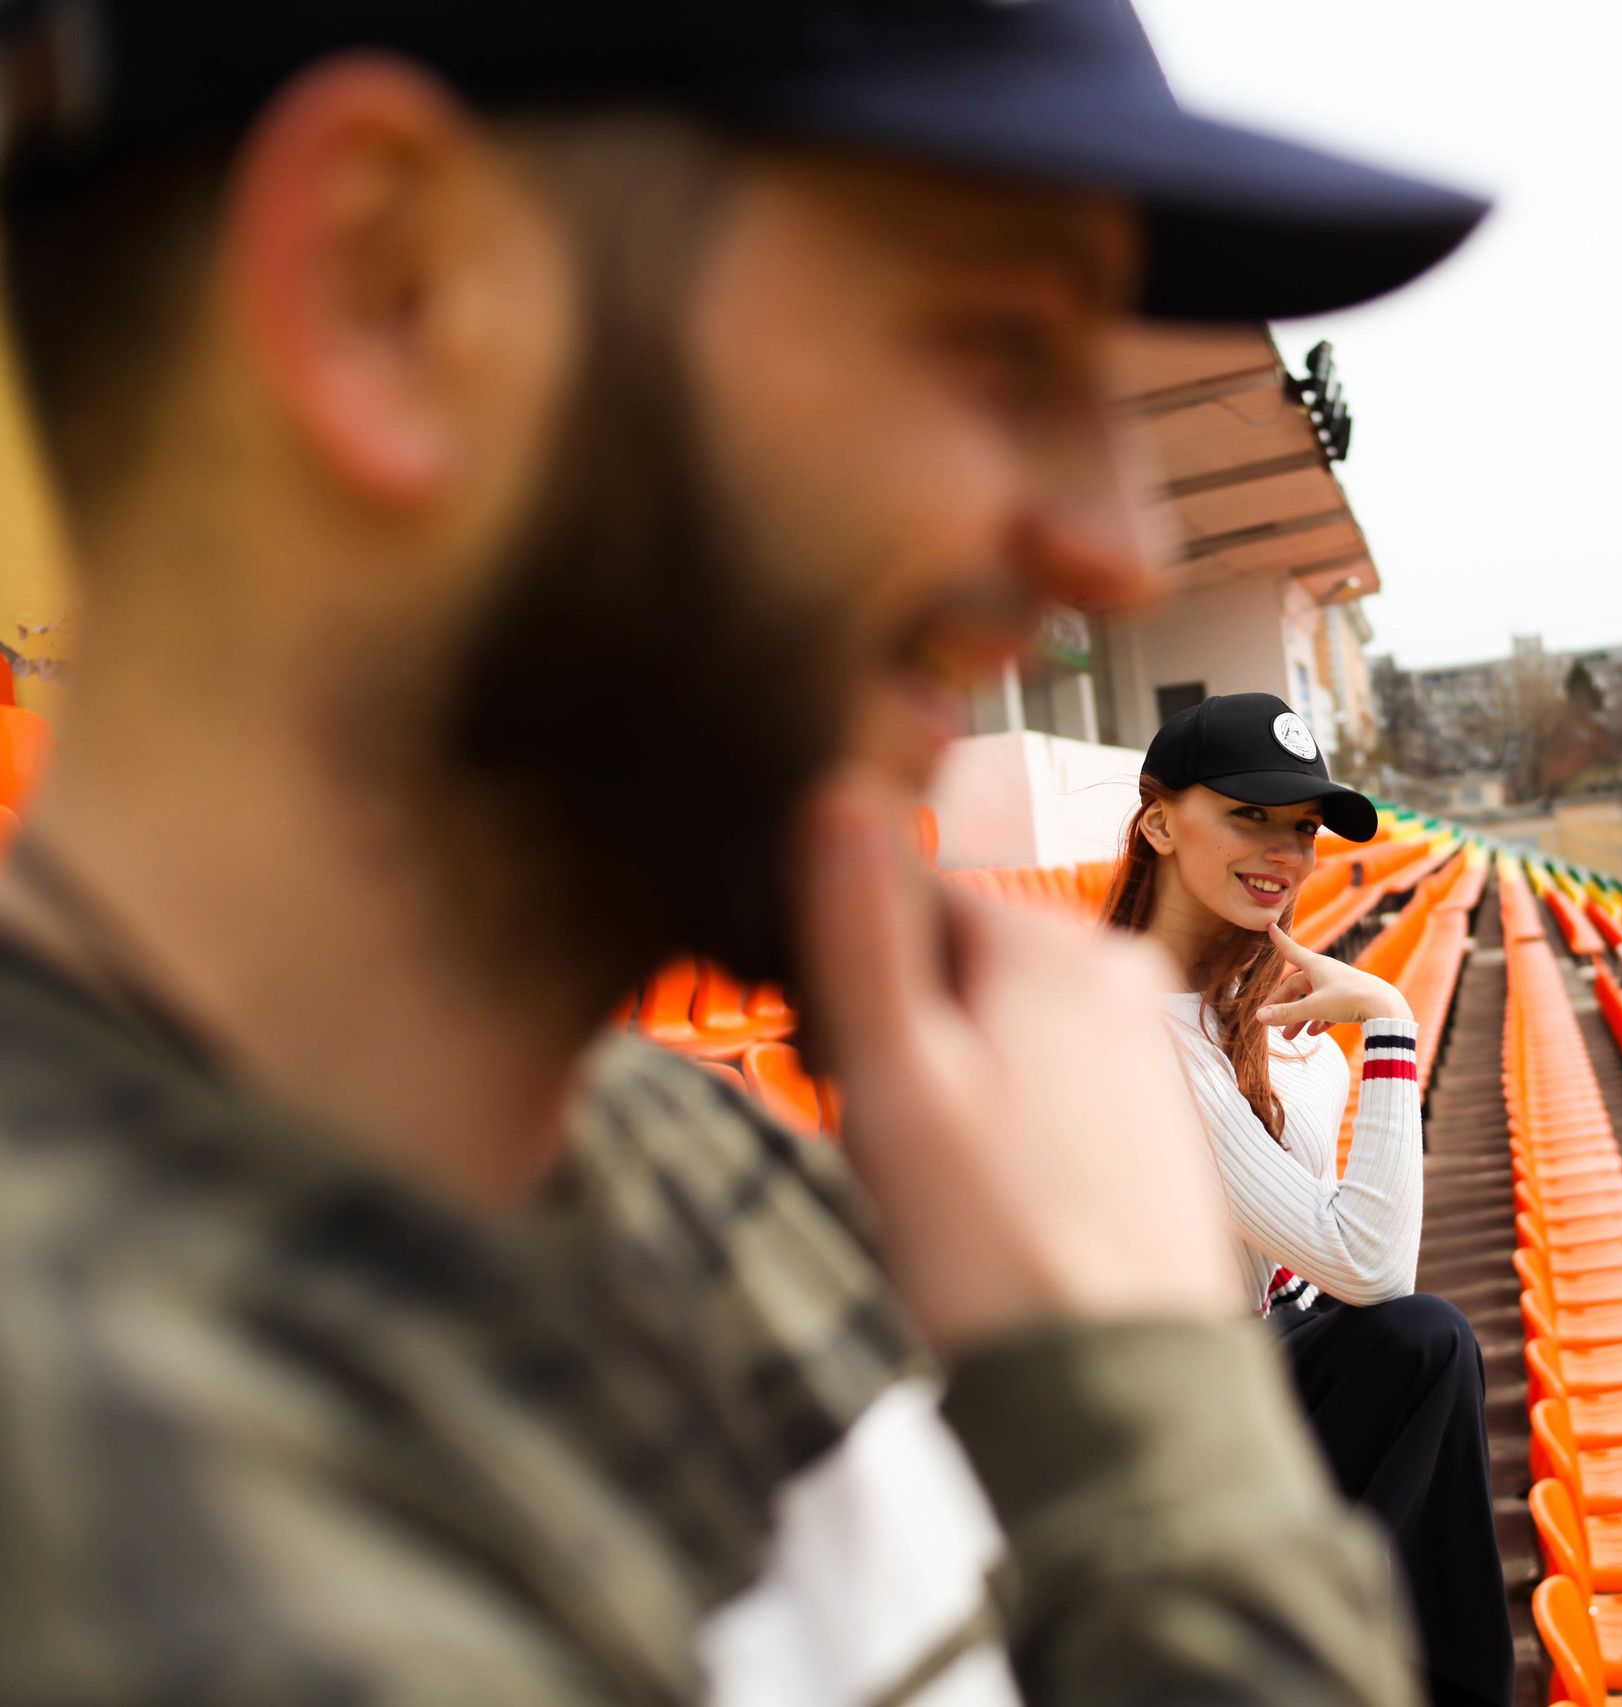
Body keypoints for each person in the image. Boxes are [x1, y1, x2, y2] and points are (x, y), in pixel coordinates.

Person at [0, 1, 1488, 1703]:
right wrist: (1160, 1441)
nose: (1111, 547)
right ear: (390, 297)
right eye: (993, 345)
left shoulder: (688, 1163)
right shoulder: (111, 1503)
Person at [1104, 693, 1513, 1707]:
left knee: (1423, 1346)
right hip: (1160, 1430)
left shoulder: (1255, 1013)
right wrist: (1388, 1022)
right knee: (1423, 1339)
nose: (1285, 852)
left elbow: (1344, 1265)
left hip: (1256, 1349)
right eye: (1249, 815)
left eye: (1301, 828)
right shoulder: (1123, 1024)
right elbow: (1372, 1264)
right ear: (1159, 824)